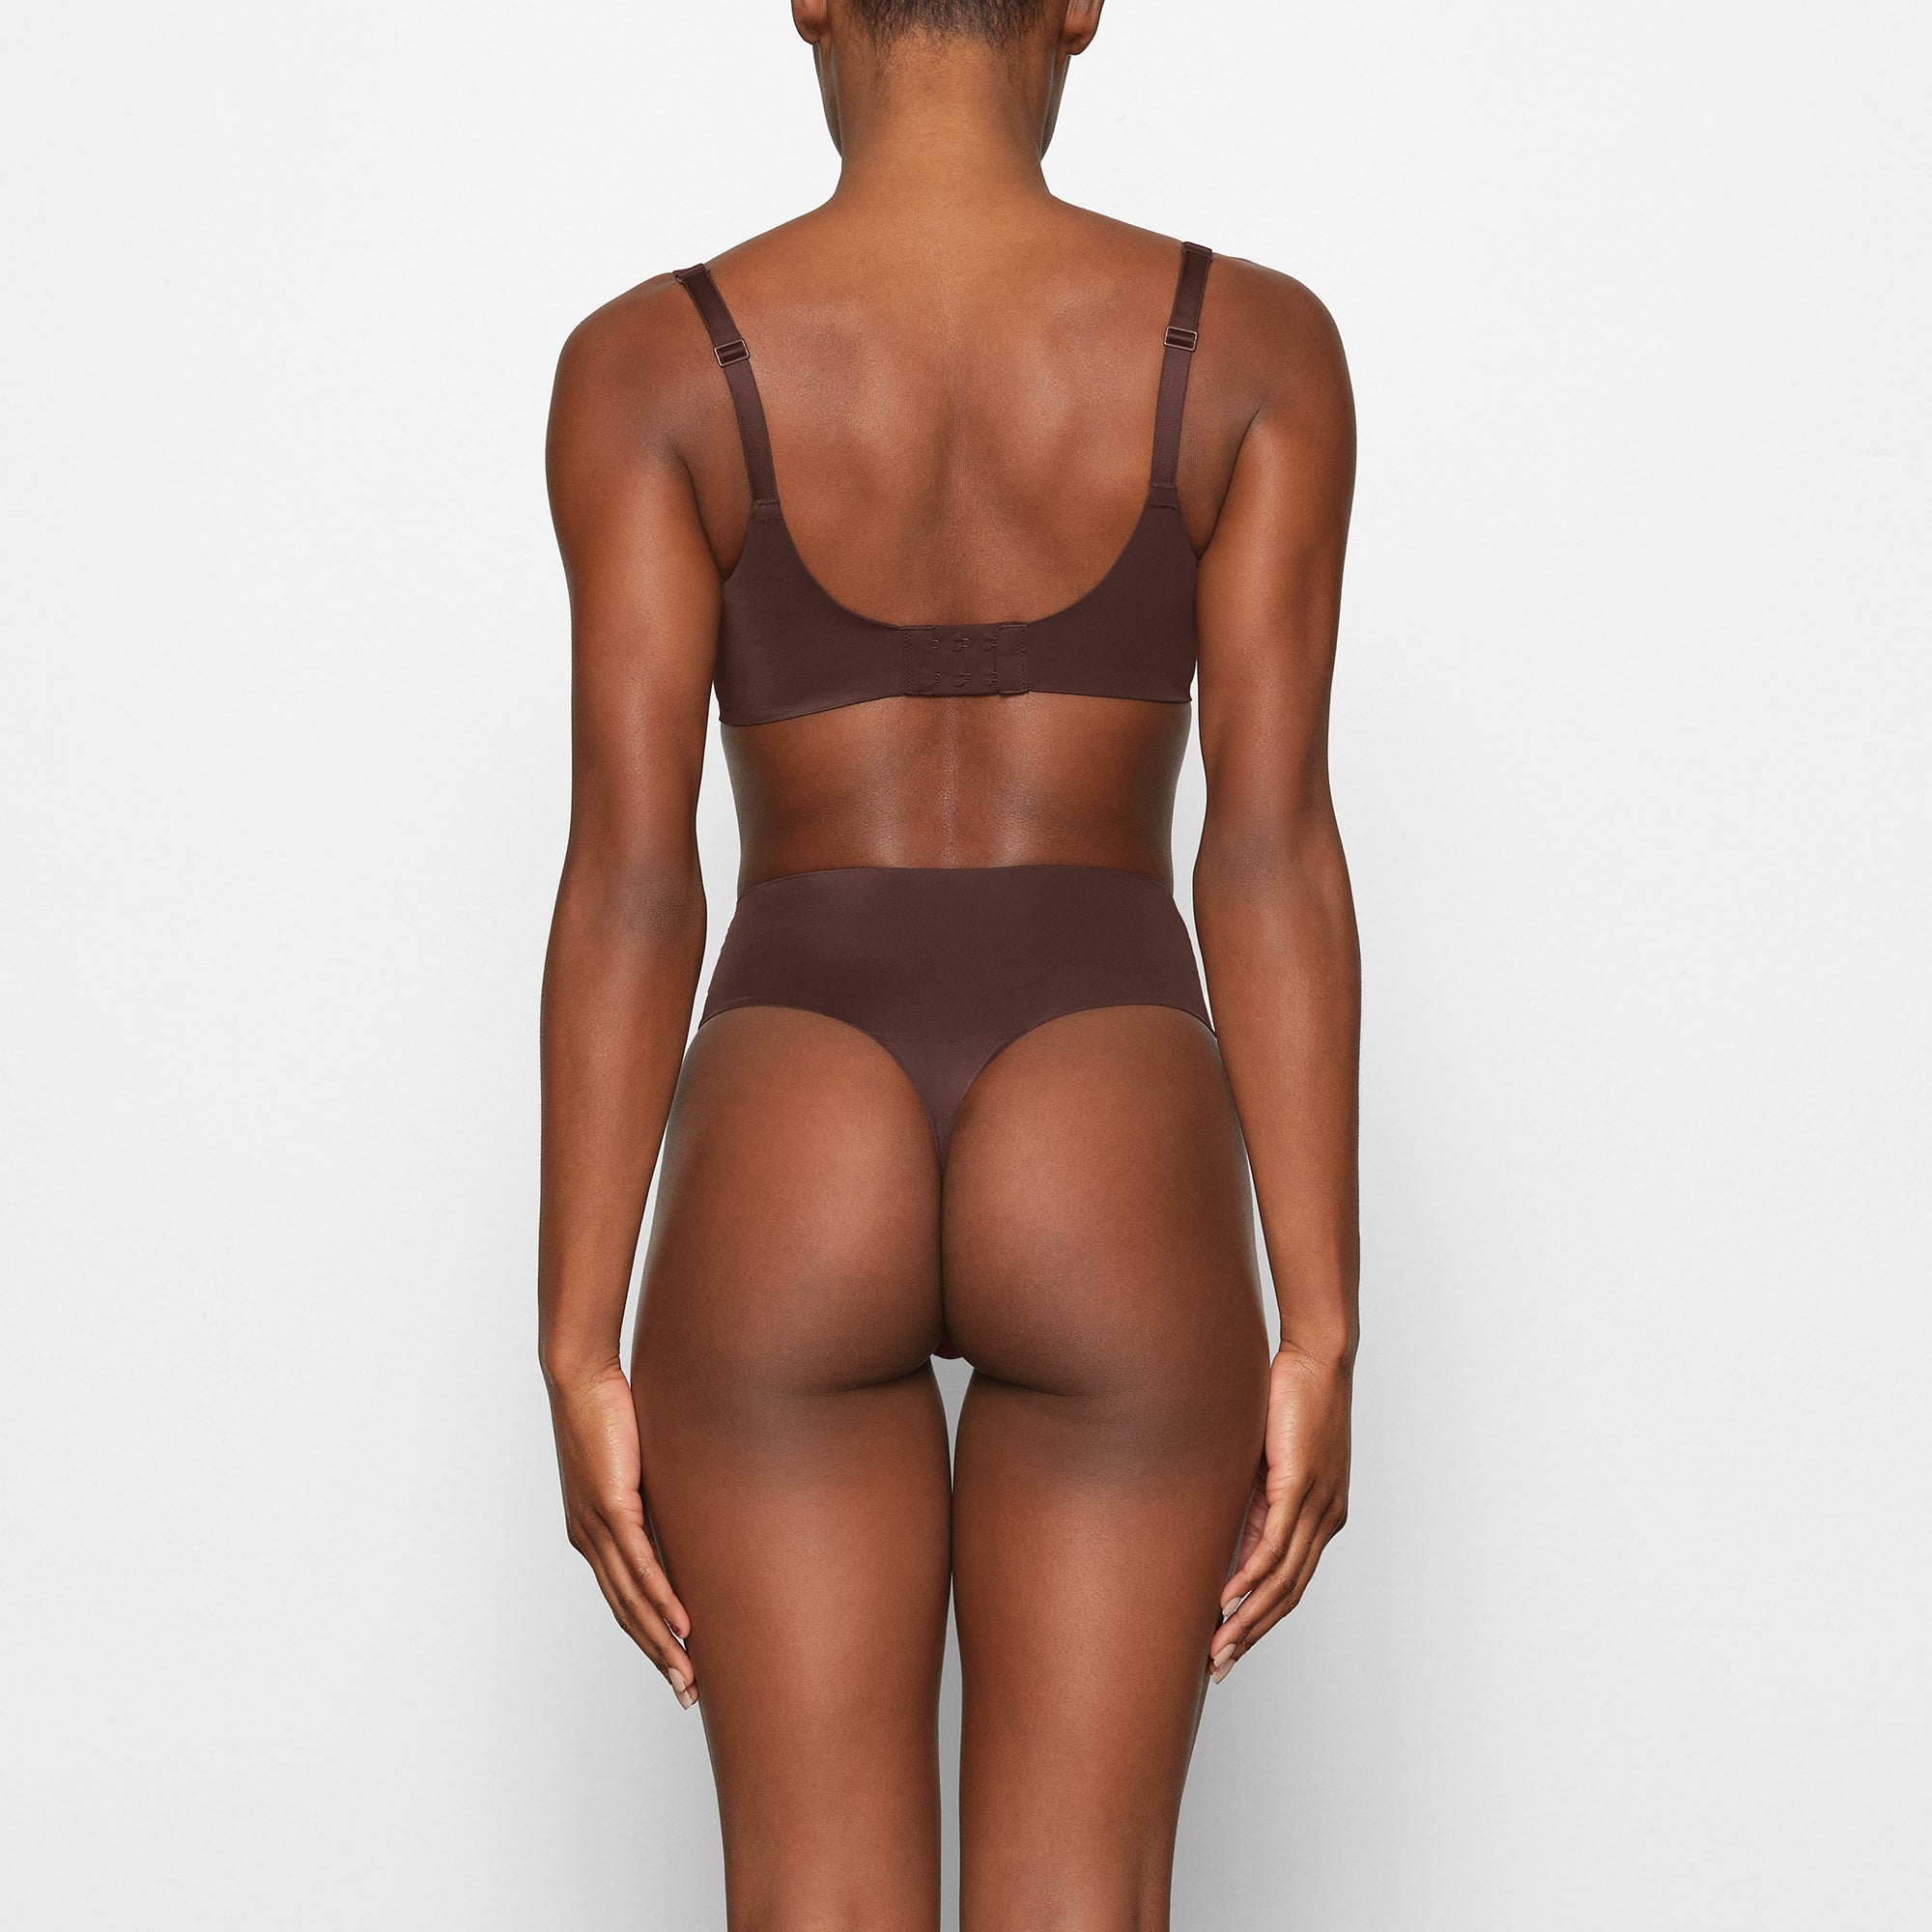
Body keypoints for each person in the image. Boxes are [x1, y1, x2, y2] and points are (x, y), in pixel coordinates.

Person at [537, 1, 1359, 1922]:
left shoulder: (649, 365)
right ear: (1078, 4)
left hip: (791, 1108)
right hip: (1108, 1112)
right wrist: (1319, 1324)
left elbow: (632, 878)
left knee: (809, 1895)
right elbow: (1268, 852)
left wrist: (576, 1337)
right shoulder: (1253, 350)